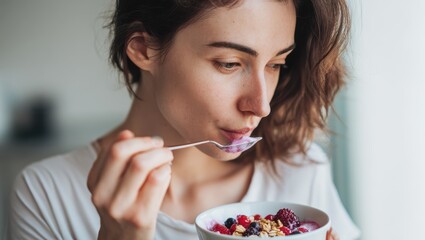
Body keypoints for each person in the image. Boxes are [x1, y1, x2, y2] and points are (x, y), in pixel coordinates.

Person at [6, 0, 360, 239]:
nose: (261, 105)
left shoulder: (300, 169)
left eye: (275, 65)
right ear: (144, 48)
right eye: (229, 63)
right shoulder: (47, 194)